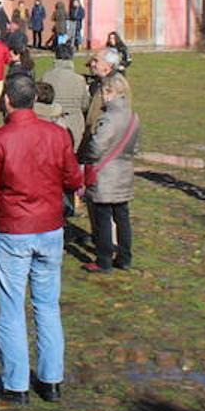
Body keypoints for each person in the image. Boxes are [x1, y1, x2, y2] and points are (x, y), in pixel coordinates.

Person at [0, 74, 82, 404]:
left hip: (13, 230)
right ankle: (51, 381)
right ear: (33, 98)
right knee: (47, 306)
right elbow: (73, 177)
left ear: (7, 99)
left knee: (11, 309)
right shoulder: (56, 134)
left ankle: (17, 384)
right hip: (48, 228)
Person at [80, 73, 138, 273]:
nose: (103, 96)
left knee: (103, 217)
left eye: (105, 92)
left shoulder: (108, 118)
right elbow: (134, 146)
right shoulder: (133, 116)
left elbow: (96, 147)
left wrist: (88, 156)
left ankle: (103, 260)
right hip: (124, 172)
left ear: (112, 92)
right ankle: (125, 257)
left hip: (105, 174)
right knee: (122, 217)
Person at [40, 38, 90, 148]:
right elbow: (85, 105)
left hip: (52, 121)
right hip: (74, 122)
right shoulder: (79, 79)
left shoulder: (46, 76)